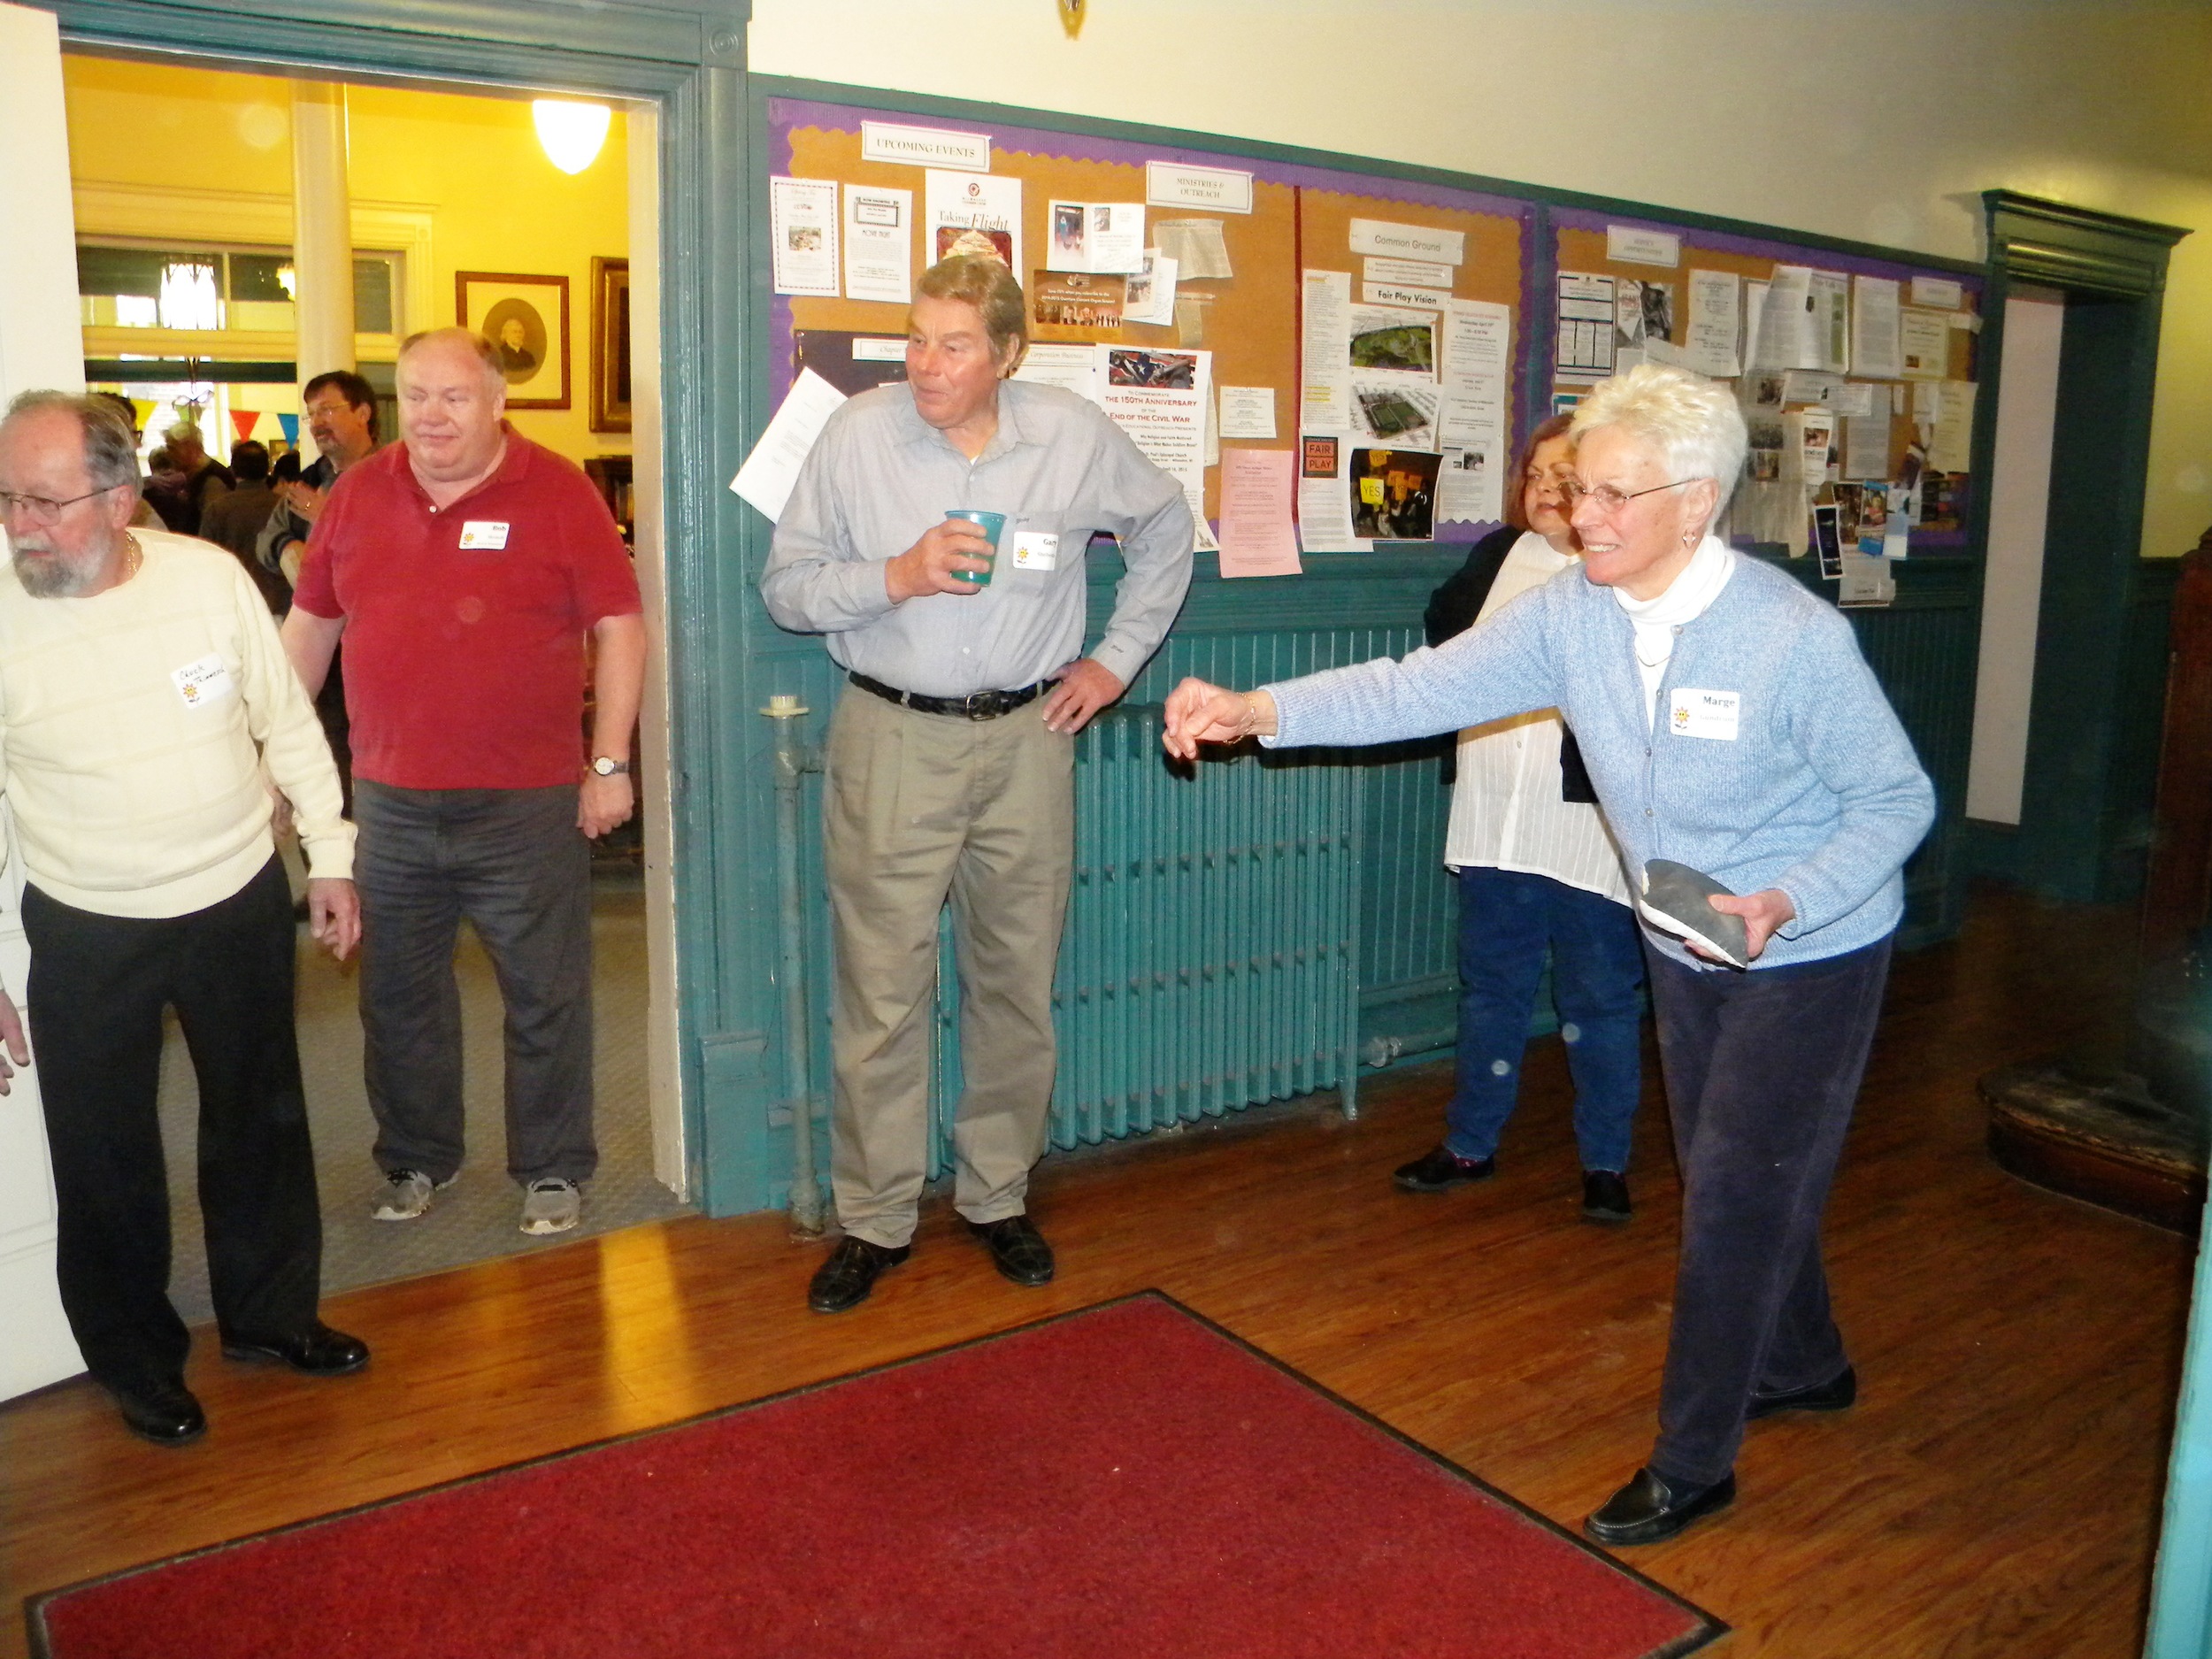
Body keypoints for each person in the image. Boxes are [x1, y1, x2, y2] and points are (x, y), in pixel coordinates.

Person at [1163, 364, 1934, 1547]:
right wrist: (1260, 708)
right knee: (1747, 1171)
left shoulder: (1792, 638)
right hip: (1681, 931)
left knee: (1730, 1191)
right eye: (1580, 491)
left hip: (1811, 948)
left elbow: (1895, 799)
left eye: (1617, 495)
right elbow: (1420, 685)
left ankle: (1693, 1459)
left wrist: (1788, 898)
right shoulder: (1577, 611)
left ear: (1699, 497)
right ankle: (1805, 1359)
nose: (1586, 518)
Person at [761, 254, 1194, 1315]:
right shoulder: (858, 435)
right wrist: (893, 577)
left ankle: (998, 1195)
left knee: (1014, 980)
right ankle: (875, 1219)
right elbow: (784, 587)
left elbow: (1167, 527)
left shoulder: (1071, 436)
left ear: (1007, 353)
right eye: (915, 338)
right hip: (892, 736)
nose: (925, 364)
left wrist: (1115, 660)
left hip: (1027, 741)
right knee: (881, 990)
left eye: (953, 344)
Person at [0, 391, 367, 1447]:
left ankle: (270, 1317)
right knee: (103, 1154)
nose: (22, 524)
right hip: (86, 922)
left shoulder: (208, 580)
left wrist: (330, 859)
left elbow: (286, 725)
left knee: (260, 1121)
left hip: (234, 896)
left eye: (46, 501)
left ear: (118, 500)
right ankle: (137, 1361)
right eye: (11, 499)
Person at [280, 328, 644, 1238]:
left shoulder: (558, 490)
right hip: (392, 803)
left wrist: (607, 763)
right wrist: (277, 762)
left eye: (455, 397)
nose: (433, 416)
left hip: (525, 804)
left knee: (546, 993)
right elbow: (310, 629)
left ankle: (552, 1168)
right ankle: (414, 1159)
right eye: (417, 395)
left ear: (496, 402)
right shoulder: (358, 493)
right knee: (397, 996)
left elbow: (621, 625)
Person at [1395, 413, 1646, 1224]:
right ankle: (1471, 1143)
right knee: (1491, 990)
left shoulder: (1622, 574)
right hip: (1493, 815)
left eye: (1563, 478)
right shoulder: (1496, 556)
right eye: (1535, 475)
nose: (1545, 491)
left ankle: (1606, 1162)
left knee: (1599, 1001)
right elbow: (1444, 641)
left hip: (1585, 831)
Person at [261, 371, 383, 808]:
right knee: (328, 755)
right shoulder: (310, 478)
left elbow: (404, 546)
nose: (317, 423)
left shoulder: (395, 476)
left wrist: (330, 520)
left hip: (378, 645)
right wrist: (289, 547)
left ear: (363, 413)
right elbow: (266, 540)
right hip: (322, 651)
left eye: (328, 409)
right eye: (311, 413)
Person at [198, 440, 287, 611]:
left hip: (236, 599)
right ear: (268, 470)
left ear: (233, 470)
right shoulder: (285, 506)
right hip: (280, 600)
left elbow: (206, 559)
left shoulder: (218, 509)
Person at [157, 419, 233, 538]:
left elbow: (213, 530)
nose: (168, 454)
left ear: (191, 448)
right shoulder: (197, 476)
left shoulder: (212, 481)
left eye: (172, 448)